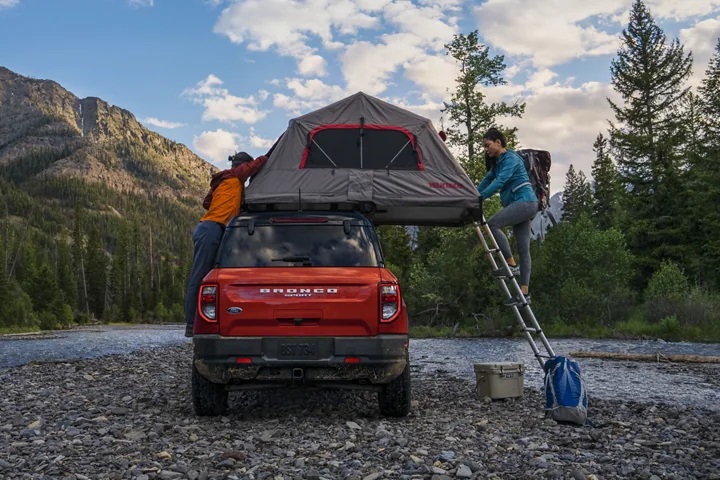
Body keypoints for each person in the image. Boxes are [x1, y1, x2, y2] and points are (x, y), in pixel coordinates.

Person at [184, 151, 267, 337]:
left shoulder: (225, 180)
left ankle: (201, 321)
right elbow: (258, 163)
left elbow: (207, 203)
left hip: (210, 227)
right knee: (200, 277)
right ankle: (191, 324)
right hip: (212, 228)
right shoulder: (236, 175)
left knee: (209, 276)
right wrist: (269, 155)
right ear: (242, 165)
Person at [476, 128, 538, 306]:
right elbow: (488, 179)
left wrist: (479, 199)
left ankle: (511, 265)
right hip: (523, 205)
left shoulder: (510, 159)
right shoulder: (498, 163)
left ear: (498, 142)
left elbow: (499, 182)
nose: (486, 149)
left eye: (487, 145)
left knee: (493, 224)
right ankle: (524, 294)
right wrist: (473, 194)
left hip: (525, 202)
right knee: (523, 249)